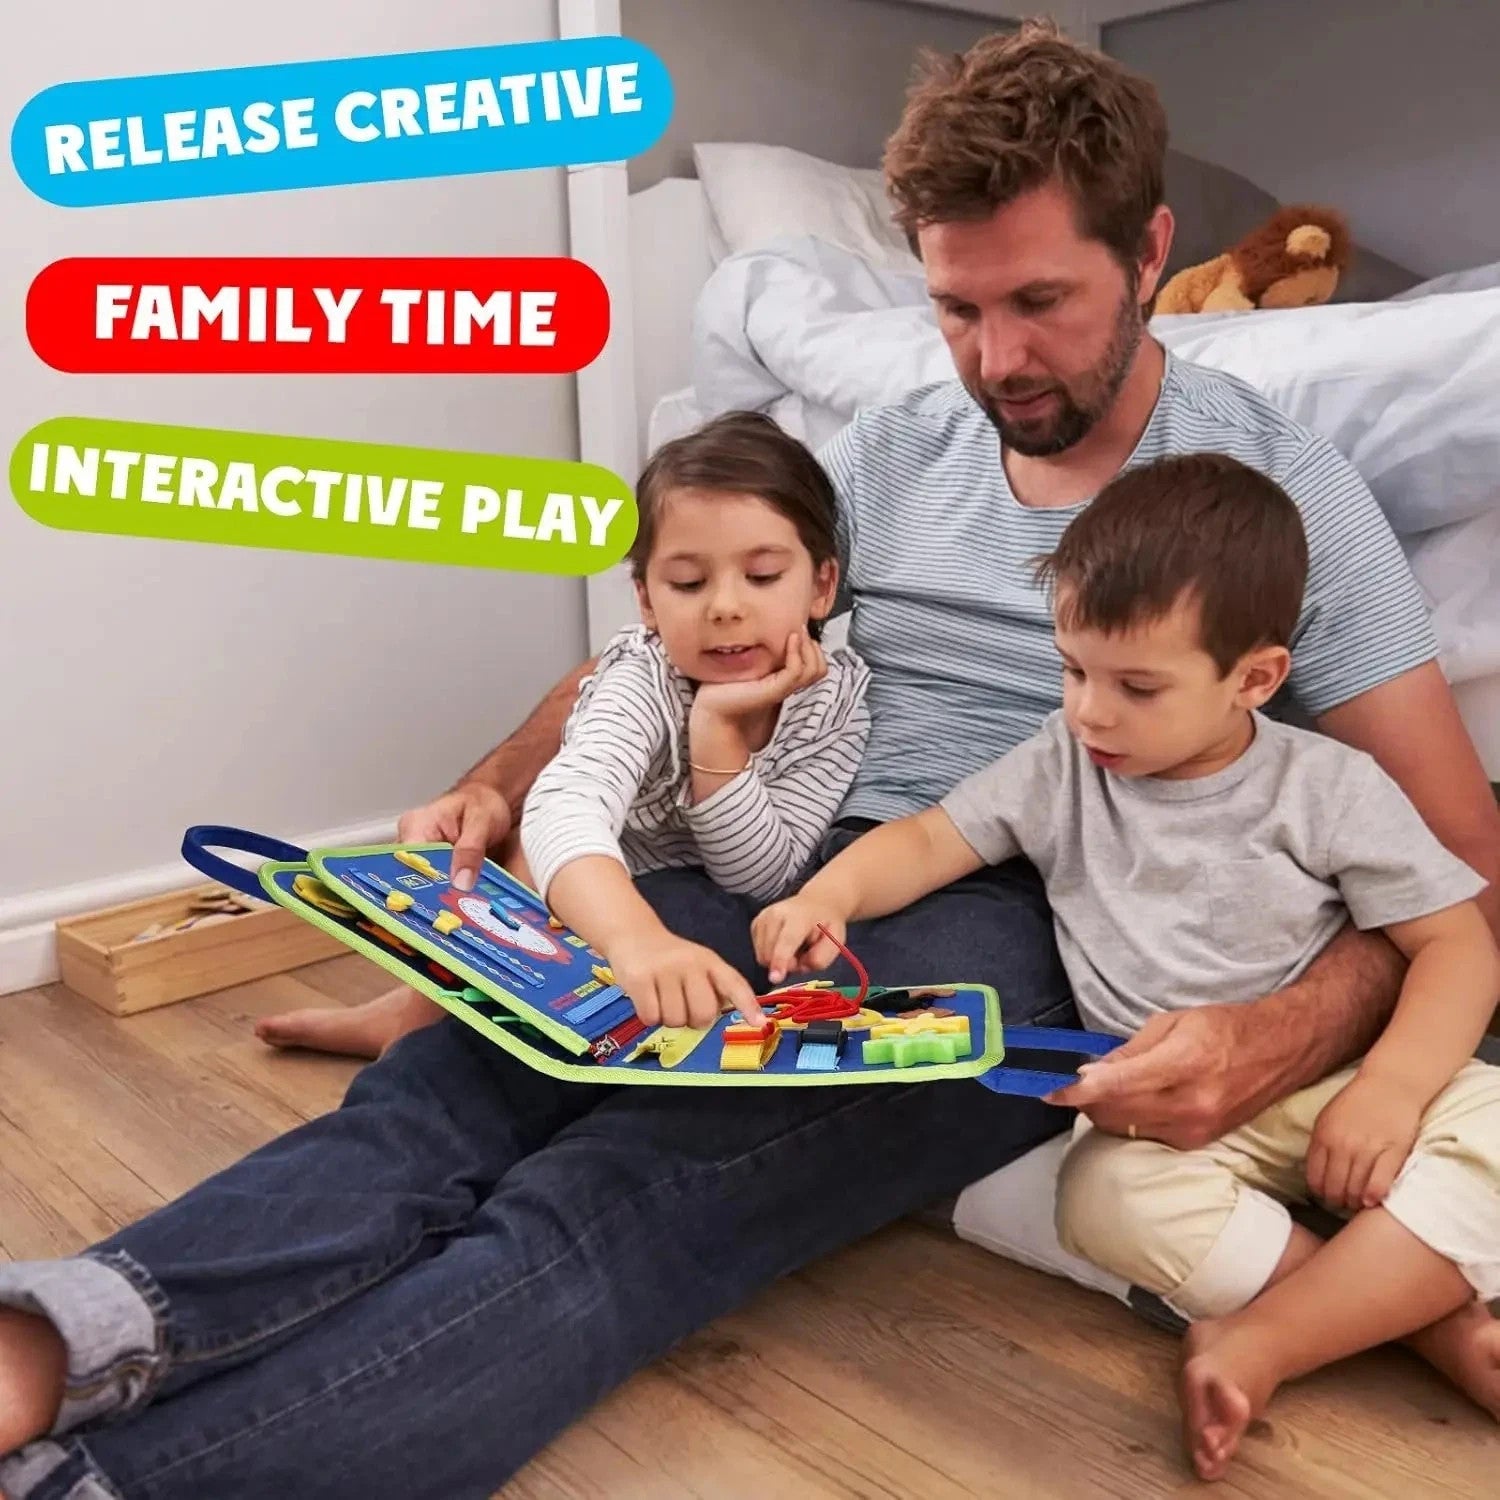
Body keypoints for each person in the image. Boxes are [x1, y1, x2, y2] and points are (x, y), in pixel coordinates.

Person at [2, 22, 1498, 1499]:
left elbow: (1459, 868)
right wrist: (499, 788)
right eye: (957, 308)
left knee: (621, 1197)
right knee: (440, 1098)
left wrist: (1280, 1036)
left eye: (1040, 301)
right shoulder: (893, 448)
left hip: (1028, 918)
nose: (999, 358)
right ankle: (42, 1351)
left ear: (1152, 243)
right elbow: (694, 641)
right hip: (774, 853)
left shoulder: (1273, 498)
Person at [751, 451, 1500, 1480]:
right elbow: (931, 839)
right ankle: (1419, 1317)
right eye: (1073, 669)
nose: (1092, 710)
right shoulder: (1063, 763)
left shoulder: (1326, 785)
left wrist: (1392, 1090)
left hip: (1340, 1080)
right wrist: (826, 893)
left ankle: (1268, 1338)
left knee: (1495, 1124)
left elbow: (1457, 944)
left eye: (1136, 685)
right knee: (1100, 1201)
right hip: (1172, 1127)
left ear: (1255, 679)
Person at [265, 410, 871, 1053]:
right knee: (530, 851)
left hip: (696, 895)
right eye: (688, 583)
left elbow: (765, 877)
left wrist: (716, 734)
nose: (724, 606)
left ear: (821, 586)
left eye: (762, 576)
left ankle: (421, 1019)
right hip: (601, 879)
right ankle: (417, 1018)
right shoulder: (642, 675)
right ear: (646, 601)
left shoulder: (838, 700)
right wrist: (636, 937)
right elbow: (565, 808)